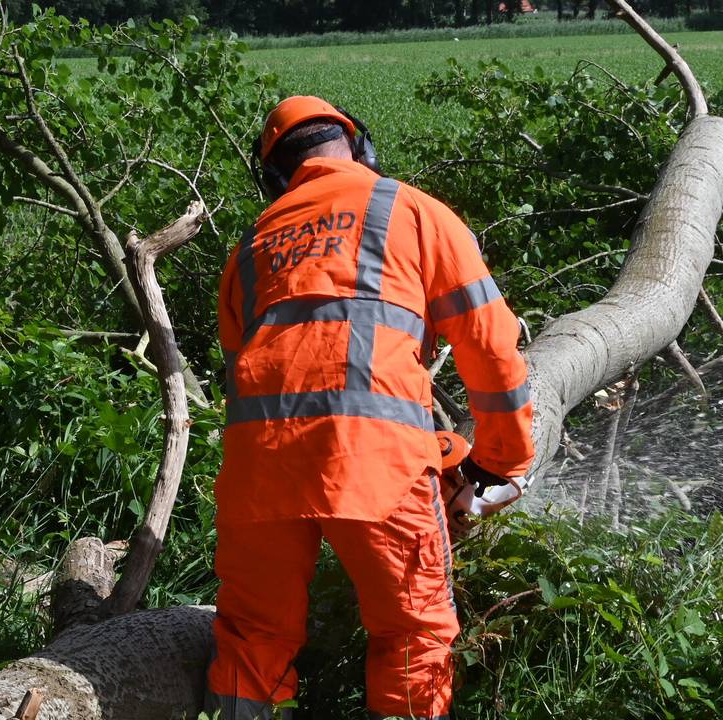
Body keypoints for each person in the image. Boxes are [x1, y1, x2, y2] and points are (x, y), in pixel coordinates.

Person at [206, 95, 536, 720]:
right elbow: (492, 347)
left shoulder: (247, 251)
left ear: (275, 175)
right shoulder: (408, 209)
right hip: (375, 468)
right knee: (413, 636)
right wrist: (502, 461)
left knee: (254, 642)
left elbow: (249, 380)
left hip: (258, 474)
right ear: (359, 147)